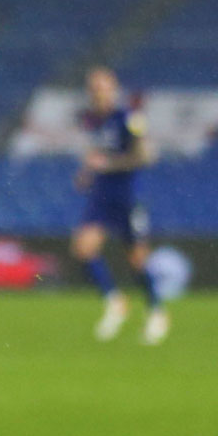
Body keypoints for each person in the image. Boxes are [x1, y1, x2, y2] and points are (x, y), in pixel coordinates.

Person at [72, 66, 166, 344]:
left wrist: (109, 165)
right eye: (93, 88)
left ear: (112, 89)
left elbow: (146, 156)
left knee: (137, 259)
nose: (97, 93)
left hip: (127, 195)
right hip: (101, 194)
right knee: (83, 247)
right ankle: (115, 301)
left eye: (102, 87)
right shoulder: (91, 121)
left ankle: (156, 311)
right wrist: (86, 174)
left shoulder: (128, 118)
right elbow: (95, 155)